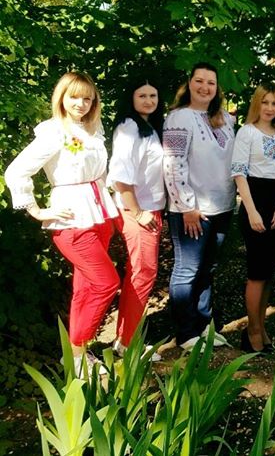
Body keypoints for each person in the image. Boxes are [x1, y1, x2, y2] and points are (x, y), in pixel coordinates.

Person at [5, 72, 120, 377]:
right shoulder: (54, 132)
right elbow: (16, 172)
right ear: (62, 98)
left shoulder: (93, 130)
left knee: (84, 289)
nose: (81, 104)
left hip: (100, 217)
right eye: (74, 97)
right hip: (72, 221)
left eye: (87, 98)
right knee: (106, 283)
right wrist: (35, 210)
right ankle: (80, 347)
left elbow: (101, 174)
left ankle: (78, 358)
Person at [162, 62, 236, 350]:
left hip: (222, 206)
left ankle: (204, 325)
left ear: (217, 88)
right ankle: (185, 332)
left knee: (208, 268)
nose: (205, 87)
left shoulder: (224, 119)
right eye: (199, 81)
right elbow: (173, 163)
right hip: (193, 210)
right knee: (188, 269)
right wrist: (186, 206)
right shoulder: (179, 117)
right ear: (189, 83)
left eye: (211, 82)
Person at [107, 74, 166, 361]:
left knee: (140, 274)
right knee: (142, 275)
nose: (148, 100)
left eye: (153, 96)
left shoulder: (147, 126)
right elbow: (120, 176)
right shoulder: (129, 127)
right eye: (142, 95)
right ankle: (128, 344)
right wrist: (138, 212)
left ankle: (125, 337)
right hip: (137, 211)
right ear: (130, 98)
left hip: (149, 209)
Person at [231, 83, 275, 353]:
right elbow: (239, 173)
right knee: (256, 272)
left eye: (274, 103)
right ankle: (252, 331)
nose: (269, 108)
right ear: (257, 103)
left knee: (268, 272)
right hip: (254, 201)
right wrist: (252, 210)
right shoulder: (247, 132)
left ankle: (261, 325)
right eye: (265, 102)